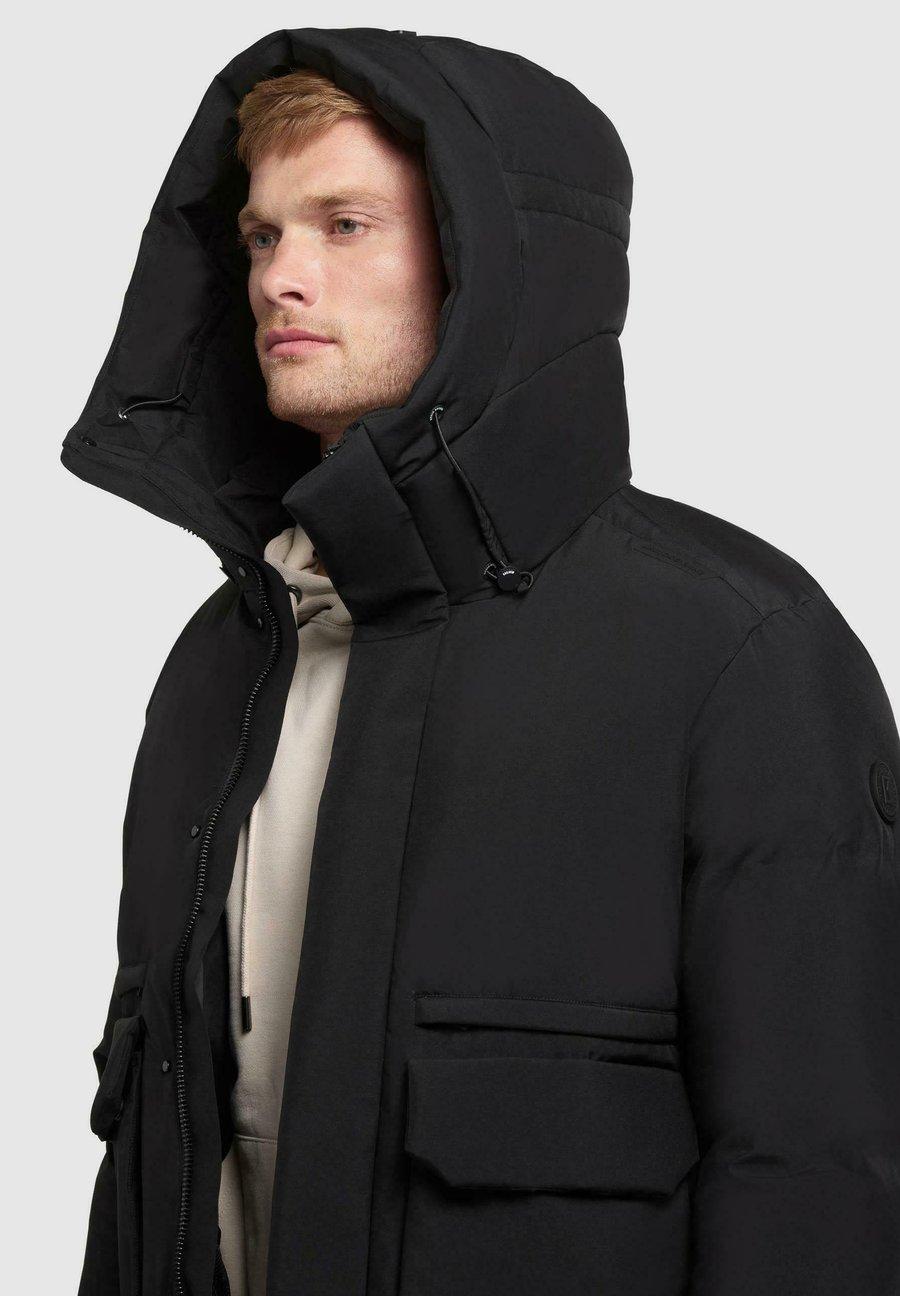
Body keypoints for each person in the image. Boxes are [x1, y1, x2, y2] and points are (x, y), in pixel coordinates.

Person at [64, 27, 900, 1296]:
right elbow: (155, 1152)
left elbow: (822, 1174)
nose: (281, 277)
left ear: (498, 265)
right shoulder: (223, 658)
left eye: (346, 225)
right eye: (262, 236)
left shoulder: (736, 652)